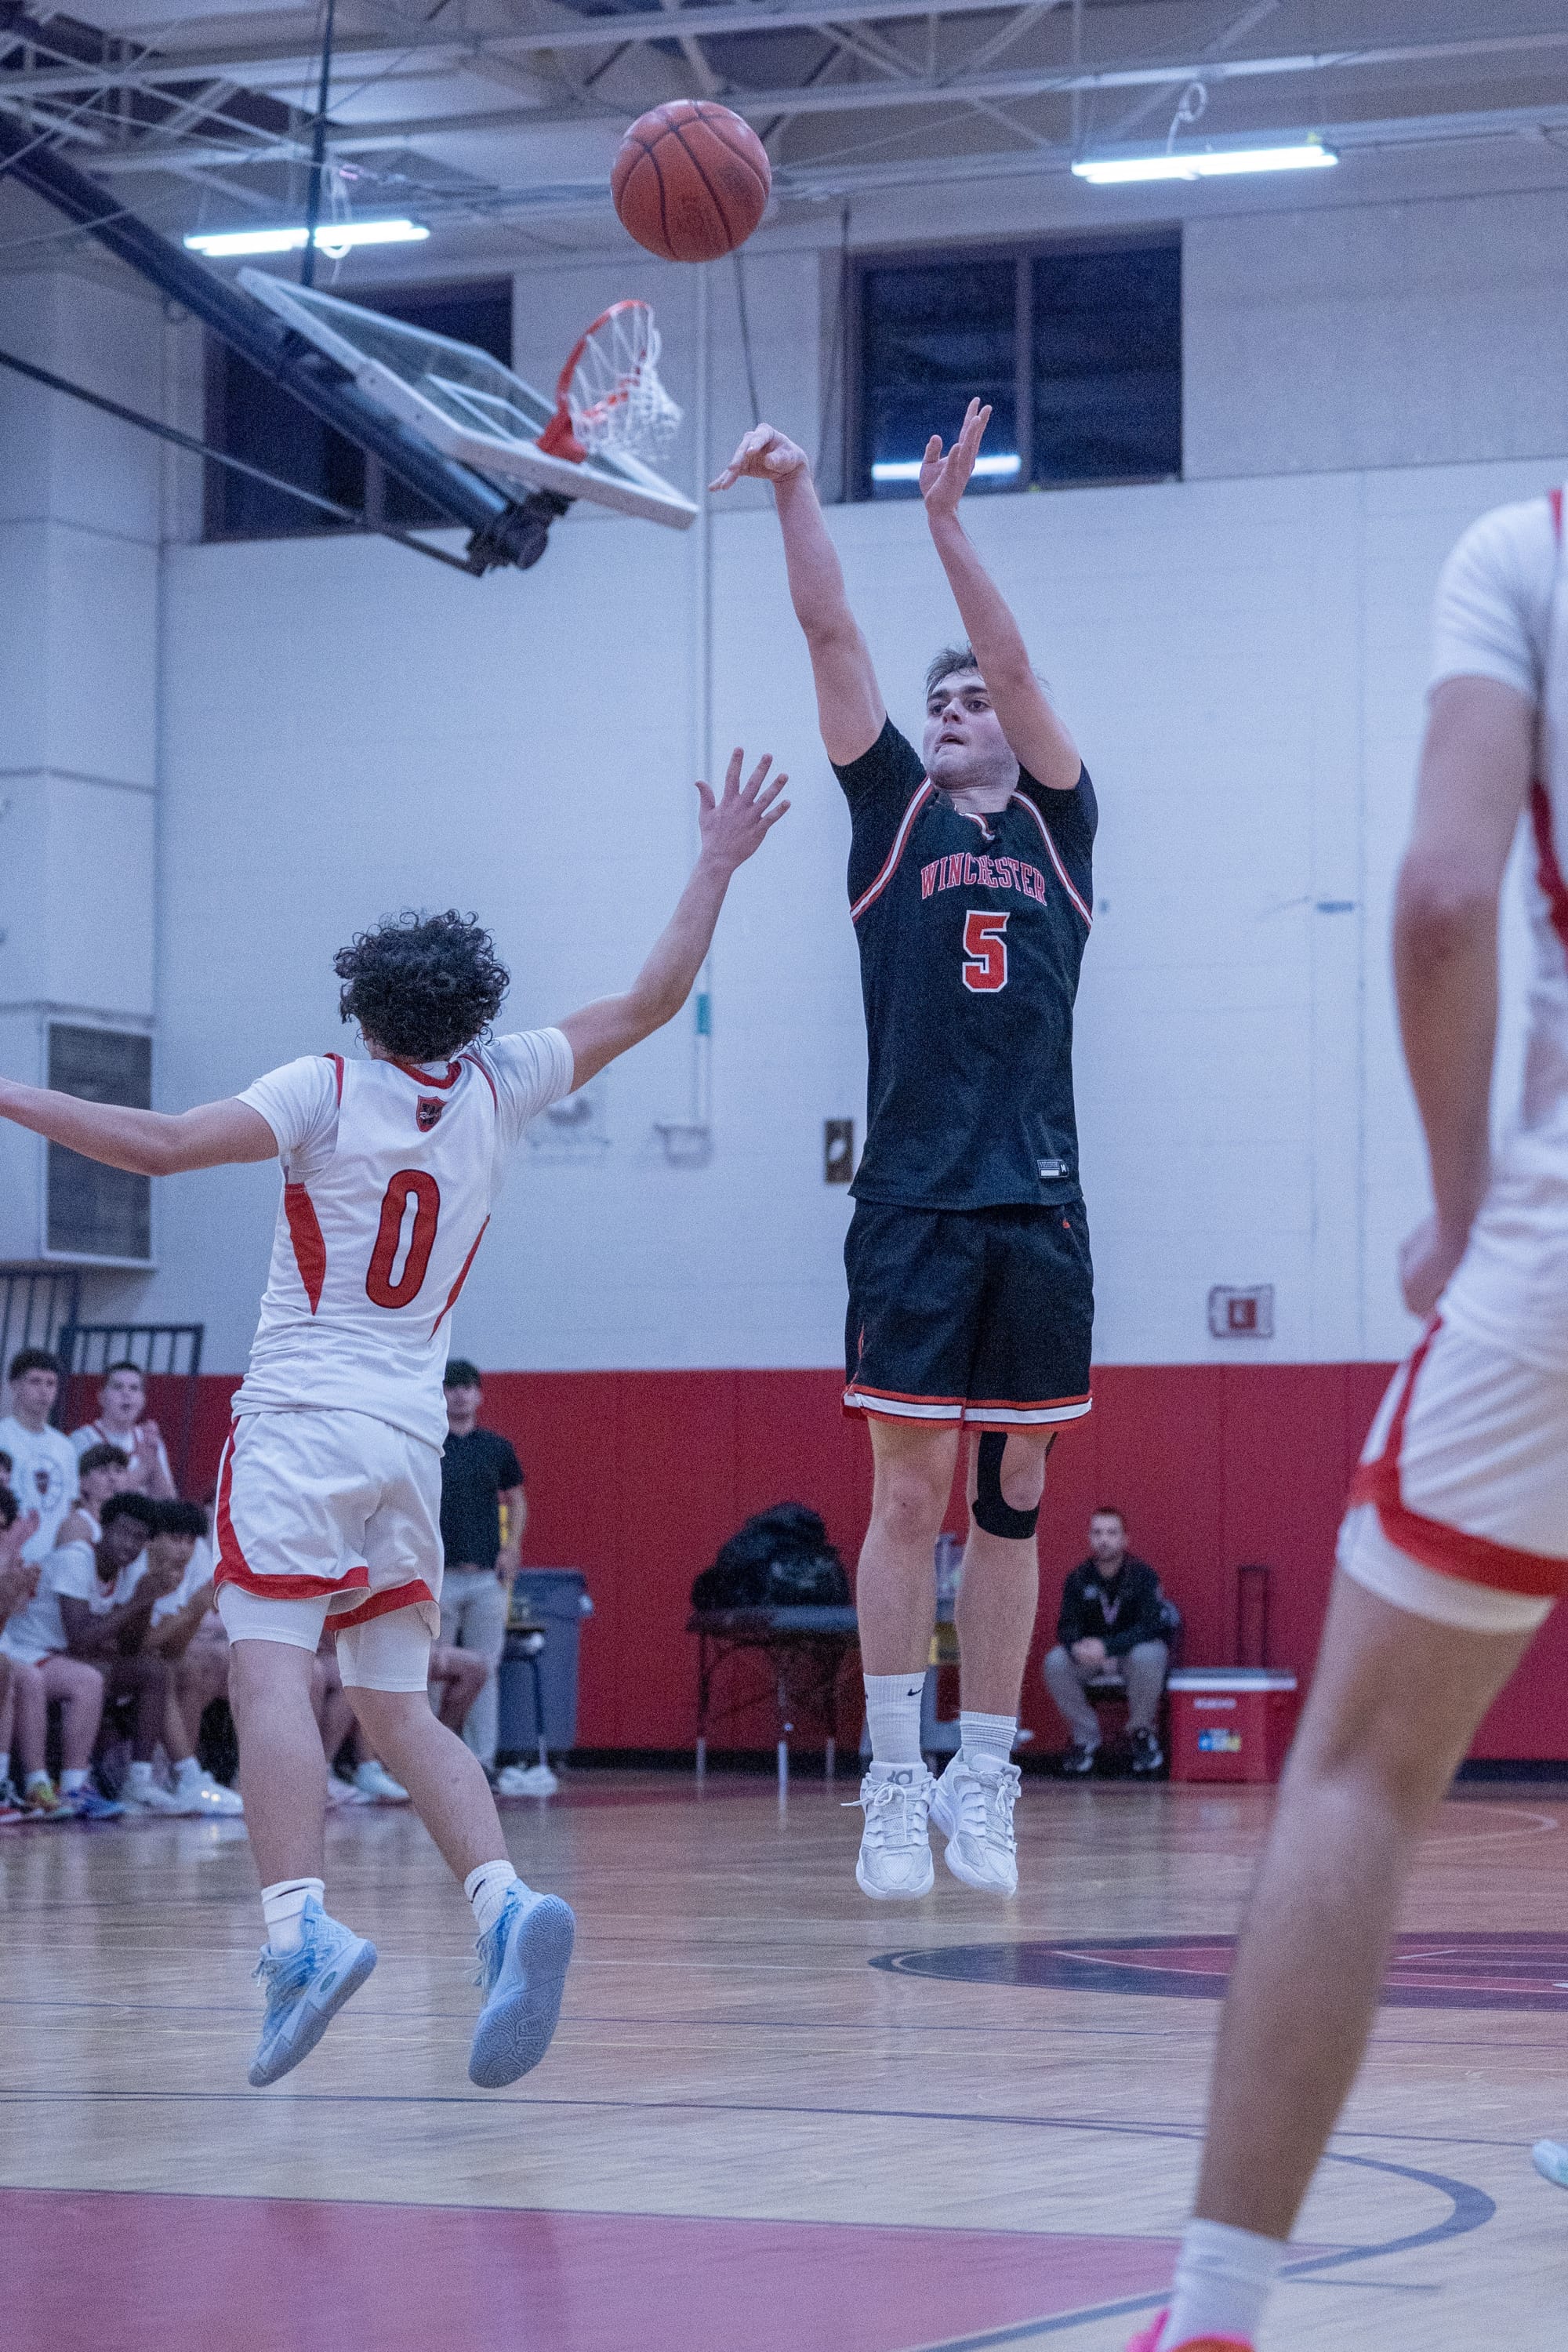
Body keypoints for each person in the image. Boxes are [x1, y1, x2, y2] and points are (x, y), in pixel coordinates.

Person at [0, 746, 786, 2087]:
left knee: (266, 1672)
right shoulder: (502, 1082)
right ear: (470, 1011)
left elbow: (165, 1146)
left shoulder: (324, 1087)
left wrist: (13, 1093)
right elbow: (655, 1000)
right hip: (410, 1443)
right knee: (391, 1698)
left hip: (302, 1420)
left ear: (363, 1008)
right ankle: (501, 1902)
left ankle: (299, 1933)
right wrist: (715, 861)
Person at [1127, 487, 1568, 2352]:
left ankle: (1215, 2311)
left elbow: (1441, 904)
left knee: (1359, 1777)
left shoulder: (1525, 552)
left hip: (1554, 1267)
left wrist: (1461, 1207)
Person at [714, 401, 1094, 1902]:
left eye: (971, 701)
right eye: (938, 700)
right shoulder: (890, 820)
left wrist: (947, 526)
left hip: (1041, 1207)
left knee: (1014, 1499)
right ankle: (890, 1780)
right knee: (906, 1498)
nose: (949, 708)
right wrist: (798, 490)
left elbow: (1015, 667)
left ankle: (983, 1777)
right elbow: (832, 640)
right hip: (915, 1204)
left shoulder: (1063, 824)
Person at [438, 1359, 525, 1777]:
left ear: (479, 1396)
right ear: (441, 1394)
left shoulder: (497, 1447)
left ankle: (480, 1762)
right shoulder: (428, 1444)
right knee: (433, 1670)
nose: (460, 1394)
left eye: (467, 1387)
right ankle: (429, 1762)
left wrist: (513, 1548)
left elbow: (517, 1500)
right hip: (439, 1576)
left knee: (486, 1670)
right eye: (452, 1387)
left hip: (487, 1578)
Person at [1044, 1508, 1170, 1777]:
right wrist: (1076, 1646)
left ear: (1125, 1539)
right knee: (1056, 1661)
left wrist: (1110, 1648)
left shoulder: (1143, 1576)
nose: (1104, 1540)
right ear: (1090, 1538)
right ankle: (1085, 1737)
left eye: (1112, 1533)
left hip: (1130, 1655)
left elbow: (1152, 1626)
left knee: (1150, 1654)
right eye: (1098, 1533)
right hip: (1092, 1657)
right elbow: (1066, 1626)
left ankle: (1141, 1733)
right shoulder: (1078, 1578)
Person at [0, 1350, 82, 1563]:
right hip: (8, 1561)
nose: (44, 1391)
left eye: (51, 1383)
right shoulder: (3, 1436)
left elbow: (70, 1509)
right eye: (35, 1382)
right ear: (15, 1385)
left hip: (54, 1562)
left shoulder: (66, 1447)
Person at [70, 1361, 176, 1499]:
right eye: (118, 1387)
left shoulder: (148, 1439)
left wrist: (155, 1463)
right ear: (101, 1398)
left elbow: (168, 1500)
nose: (126, 1394)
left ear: (143, 1400)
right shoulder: (82, 1439)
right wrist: (144, 1468)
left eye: (134, 1388)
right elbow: (101, 1498)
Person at [57, 1442, 132, 1548]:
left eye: (118, 1471)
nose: (112, 1478)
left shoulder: (131, 1528)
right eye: (103, 1471)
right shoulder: (76, 1526)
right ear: (83, 1481)